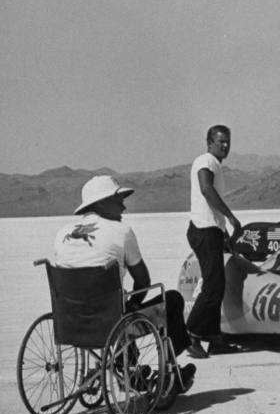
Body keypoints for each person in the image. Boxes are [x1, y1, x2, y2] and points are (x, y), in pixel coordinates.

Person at [54, 175, 196, 392]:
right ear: (101, 203)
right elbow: (143, 280)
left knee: (120, 305)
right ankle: (167, 370)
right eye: (117, 200)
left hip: (71, 323)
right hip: (112, 323)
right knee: (172, 300)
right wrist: (132, 302)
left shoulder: (61, 234)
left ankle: (126, 363)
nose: (124, 206)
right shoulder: (121, 232)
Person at [186, 125, 243, 358]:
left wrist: (224, 232)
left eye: (228, 141)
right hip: (204, 230)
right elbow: (206, 189)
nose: (226, 146)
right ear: (209, 142)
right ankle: (191, 334)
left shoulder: (214, 163)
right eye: (221, 142)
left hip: (212, 230)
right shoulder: (206, 161)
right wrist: (230, 216)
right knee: (212, 286)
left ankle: (214, 338)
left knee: (216, 285)